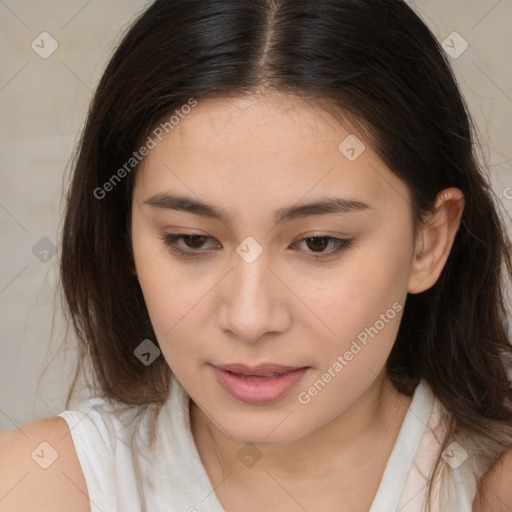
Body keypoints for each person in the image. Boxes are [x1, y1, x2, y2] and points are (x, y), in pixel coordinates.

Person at [1, 0, 512, 510]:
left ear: (429, 241)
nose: (249, 319)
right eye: (192, 240)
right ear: (123, 236)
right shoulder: (34, 487)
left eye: (318, 243)